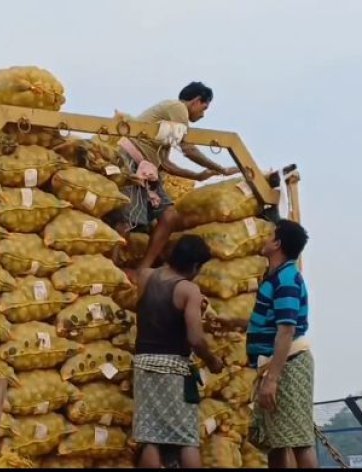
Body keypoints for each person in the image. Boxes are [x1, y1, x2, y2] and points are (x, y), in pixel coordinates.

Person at [106, 82, 239, 273]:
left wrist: (197, 176)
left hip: (149, 168)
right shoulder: (178, 109)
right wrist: (220, 168)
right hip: (132, 162)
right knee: (128, 221)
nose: (203, 114)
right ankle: (112, 269)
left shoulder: (170, 125)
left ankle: (144, 267)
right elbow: (188, 149)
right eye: (204, 108)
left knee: (170, 217)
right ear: (196, 101)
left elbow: (164, 164)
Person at [216, 219, 317, 469]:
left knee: (297, 439)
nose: (264, 237)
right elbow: (271, 322)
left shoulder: (286, 280)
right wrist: (233, 323)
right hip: (274, 365)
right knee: (275, 440)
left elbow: (286, 330)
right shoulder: (273, 278)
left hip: (287, 366)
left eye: (269, 234)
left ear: (277, 244)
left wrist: (272, 379)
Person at [131, 234, 225, 468]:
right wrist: (212, 361)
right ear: (194, 266)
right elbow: (195, 338)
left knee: (150, 436)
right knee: (186, 438)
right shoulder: (188, 290)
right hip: (174, 369)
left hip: (143, 365)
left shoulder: (146, 277)